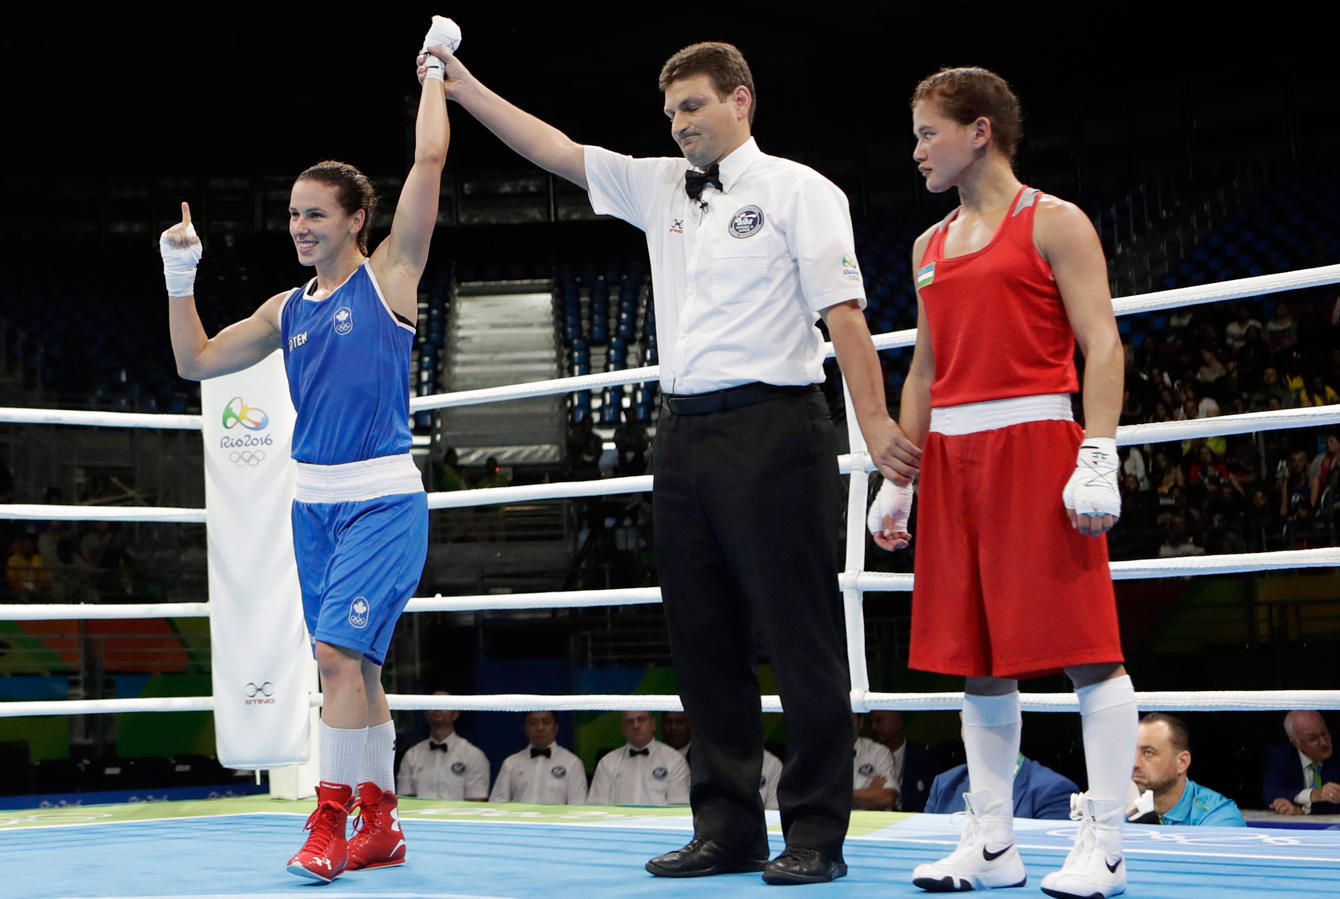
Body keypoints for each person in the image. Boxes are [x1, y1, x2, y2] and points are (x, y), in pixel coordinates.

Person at [421, 39, 918, 885]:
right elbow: (552, 148)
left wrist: (873, 425)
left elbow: (844, 314)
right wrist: (462, 88)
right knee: (702, 640)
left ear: (741, 101)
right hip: (682, 431)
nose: (681, 124)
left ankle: (816, 833)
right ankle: (727, 826)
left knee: (800, 637)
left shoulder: (802, 190)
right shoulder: (658, 186)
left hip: (777, 423)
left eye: (693, 106)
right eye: (672, 113)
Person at [163, 22, 450, 883]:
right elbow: (196, 360)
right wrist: (181, 276)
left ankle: (329, 820)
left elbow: (429, 164)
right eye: (292, 214)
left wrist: (435, 71)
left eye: (315, 213)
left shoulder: (390, 276)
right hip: (310, 504)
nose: (298, 226)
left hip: (381, 499)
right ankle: (383, 823)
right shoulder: (287, 308)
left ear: (357, 219)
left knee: (333, 659)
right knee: (356, 661)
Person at [868, 68, 1137, 898]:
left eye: (926, 133)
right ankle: (992, 844)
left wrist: (1098, 452)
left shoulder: (1055, 222)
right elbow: (925, 369)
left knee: (1088, 649)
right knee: (976, 660)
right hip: (953, 457)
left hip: (1037, 445)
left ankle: (1111, 846)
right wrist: (901, 476)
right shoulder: (926, 245)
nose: (915, 150)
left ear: (978, 130)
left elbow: (1102, 342)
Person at [1130, 713, 1244, 826]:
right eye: (1132, 751)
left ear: (1182, 762)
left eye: (1149, 753)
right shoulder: (1118, 808)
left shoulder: (1220, 816)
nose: (1135, 763)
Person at [398, 692, 491, 801]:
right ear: (426, 713)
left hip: (457, 817)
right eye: (432, 706)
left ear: (455, 714)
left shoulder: (473, 755)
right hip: (419, 817)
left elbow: (477, 801)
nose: (437, 709)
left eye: (443, 705)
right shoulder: (411, 755)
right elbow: (404, 799)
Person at [925, 754, 1077, 820]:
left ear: (1016, 723)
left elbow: (1046, 862)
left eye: (990, 719)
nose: (980, 729)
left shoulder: (1053, 790)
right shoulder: (944, 784)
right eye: (970, 721)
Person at [587, 710, 689, 807]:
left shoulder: (674, 760)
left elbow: (679, 806)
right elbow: (597, 806)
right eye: (629, 722)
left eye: (641, 719)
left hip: (659, 824)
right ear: (623, 728)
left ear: (653, 724)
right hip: (618, 824)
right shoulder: (607, 762)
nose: (636, 725)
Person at [489, 711, 588, 805]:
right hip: (519, 821)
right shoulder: (510, 763)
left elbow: (577, 806)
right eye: (533, 723)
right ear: (525, 729)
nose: (540, 728)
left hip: (555, 822)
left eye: (546, 722)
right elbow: (498, 804)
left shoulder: (572, 763)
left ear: (556, 728)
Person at [1262, 710, 1340, 815]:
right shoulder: (1281, 757)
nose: (1323, 742)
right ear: (1296, 743)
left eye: (1324, 733)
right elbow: (1270, 793)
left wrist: (1303, 811)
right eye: (1313, 739)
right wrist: (1313, 795)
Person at [867, 709, 938, 813]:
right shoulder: (863, 756)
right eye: (871, 723)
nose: (873, 727)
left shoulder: (924, 759)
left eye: (878, 721)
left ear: (898, 722)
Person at [852, 714, 897, 811]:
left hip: (868, 824)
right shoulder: (821, 753)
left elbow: (887, 798)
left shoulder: (878, 752)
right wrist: (867, 793)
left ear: (861, 722)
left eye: (850, 719)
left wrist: (839, 795)